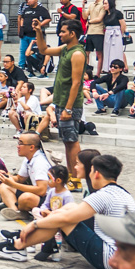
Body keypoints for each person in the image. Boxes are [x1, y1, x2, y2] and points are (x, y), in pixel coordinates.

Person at [0, 153, 134, 268]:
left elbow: (66, 219)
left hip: (110, 259)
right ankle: (21, 241)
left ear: (96, 174)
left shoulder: (103, 195)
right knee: (69, 209)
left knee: (63, 219)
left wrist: (34, 224)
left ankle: (17, 246)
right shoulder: (124, 194)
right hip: (127, 258)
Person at [35, 16, 86, 188]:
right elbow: (43, 50)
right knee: (67, 141)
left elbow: (76, 82)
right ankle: (71, 176)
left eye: (63, 31)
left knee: (72, 141)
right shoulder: (65, 48)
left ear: (72, 33)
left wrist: (68, 109)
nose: (60, 34)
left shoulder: (77, 53)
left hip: (69, 104)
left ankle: (76, 179)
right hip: (61, 102)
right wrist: (38, 32)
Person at [0, 131, 52, 221]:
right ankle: (16, 211)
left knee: (26, 198)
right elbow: (19, 179)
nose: (17, 146)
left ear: (31, 147)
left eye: (21, 143)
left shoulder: (40, 162)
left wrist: (13, 184)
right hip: (37, 195)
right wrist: (5, 176)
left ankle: (13, 204)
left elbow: (42, 191)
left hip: (49, 200)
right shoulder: (28, 158)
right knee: (4, 186)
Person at [101, 0, 128, 70]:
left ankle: (118, 67)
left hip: (116, 33)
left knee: (116, 51)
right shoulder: (106, 15)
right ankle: (108, 67)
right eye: (103, 4)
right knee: (107, 51)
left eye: (106, 3)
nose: (104, 5)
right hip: (108, 33)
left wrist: (121, 34)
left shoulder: (117, 13)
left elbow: (123, 25)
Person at [85, 0, 108, 72]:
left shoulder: (103, 4)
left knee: (99, 53)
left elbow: (99, 19)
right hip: (90, 31)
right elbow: (84, 16)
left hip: (99, 31)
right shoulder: (91, 4)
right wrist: (83, 6)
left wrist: (90, 21)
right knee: (87, 52)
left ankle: (98, 72)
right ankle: (87, 71)